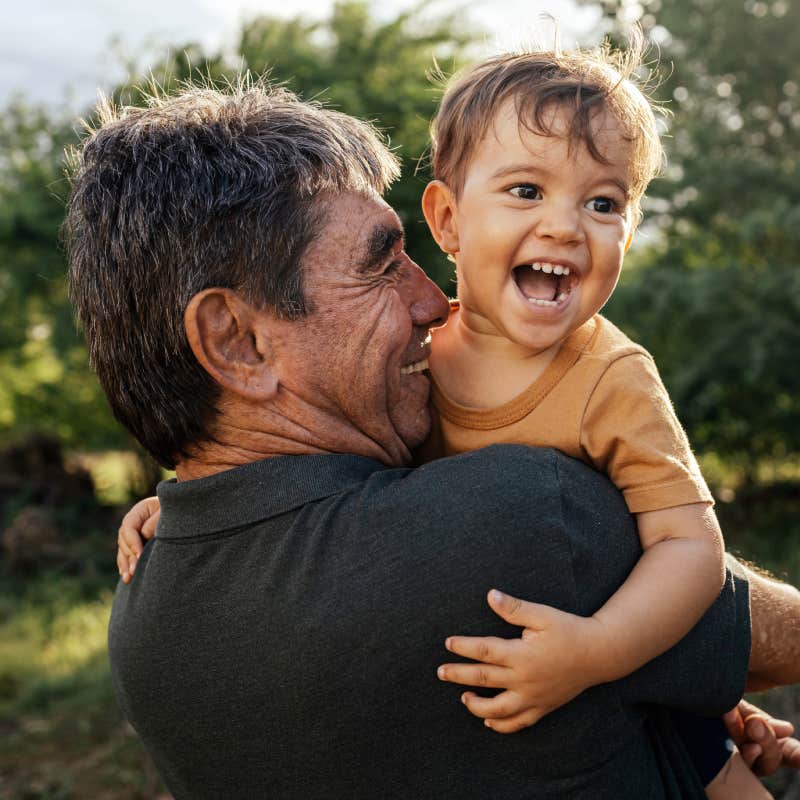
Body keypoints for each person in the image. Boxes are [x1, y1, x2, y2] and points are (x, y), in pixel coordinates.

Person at [67, 84, 800, 799]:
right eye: (380, 264)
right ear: (239, 343)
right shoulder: (524, 516)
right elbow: (785, 639)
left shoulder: (143, 625)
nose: (431, 300)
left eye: (603, 203)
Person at [413, 40, 756, 796]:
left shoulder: (611, 377)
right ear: (447, 219)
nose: (567, 226)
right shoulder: (410, 355)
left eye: (603, 203)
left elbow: (690, 547)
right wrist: (176, 503)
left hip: (621, 671)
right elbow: (311, 461)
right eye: (527, 190)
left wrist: (599, 650)